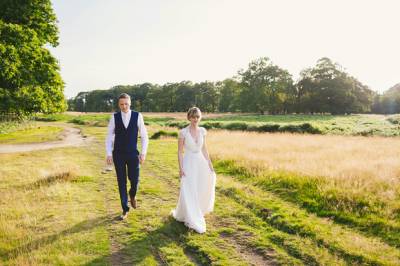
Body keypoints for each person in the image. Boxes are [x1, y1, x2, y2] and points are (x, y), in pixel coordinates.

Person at [171, 107, 216, 233]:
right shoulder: (183, 133)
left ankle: (198, 209)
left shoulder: (202, 131)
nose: (195, 119)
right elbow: (180, 152)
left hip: (200, 162)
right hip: (189, 163)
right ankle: (191, 216)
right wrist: (180, 168)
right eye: (193, 117)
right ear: (189, 117)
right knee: (189, 188)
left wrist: (209, 164)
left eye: (197, 117)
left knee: (200, 187)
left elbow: (204, 149)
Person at [105, 93, 149, 220]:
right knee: (121, 181)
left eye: (126, 104)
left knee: (134, 180)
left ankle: (132, 194)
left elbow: (145, 136)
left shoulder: (137, 116)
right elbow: (108, 137)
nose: (124, 106)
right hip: (118, 154)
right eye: (121, 104)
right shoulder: (114, 117)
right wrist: (109, 153)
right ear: (118, 104)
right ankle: (125, 209)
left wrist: (143, 153)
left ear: (130, 103)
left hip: (132, 154)